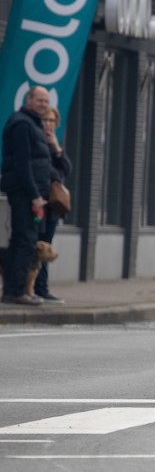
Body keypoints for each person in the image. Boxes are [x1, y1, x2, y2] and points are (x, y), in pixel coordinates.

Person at [1, 85, 51, 306]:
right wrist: (34, 195)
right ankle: (15, 290)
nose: (43, 105)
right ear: (29, 100)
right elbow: (23, 164)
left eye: (46, 101)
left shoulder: (32, 124)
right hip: (24, 192)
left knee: (24, 240)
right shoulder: (22, 124)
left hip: (29, 191)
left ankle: (16, 288)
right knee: (25, 240)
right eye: (39, 100)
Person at [34, 106, 73, 303]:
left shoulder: (53, 144)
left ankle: (42, 287)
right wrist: (57, 175)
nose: (48, 125)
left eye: (51, 121)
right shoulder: (34, 140)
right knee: (33, 246)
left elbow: (66, 168)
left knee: (46, 247)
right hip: (38, 202)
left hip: (52, 207)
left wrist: (58, 148)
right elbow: (48, 171)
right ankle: (29, 287)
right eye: (45, 120)